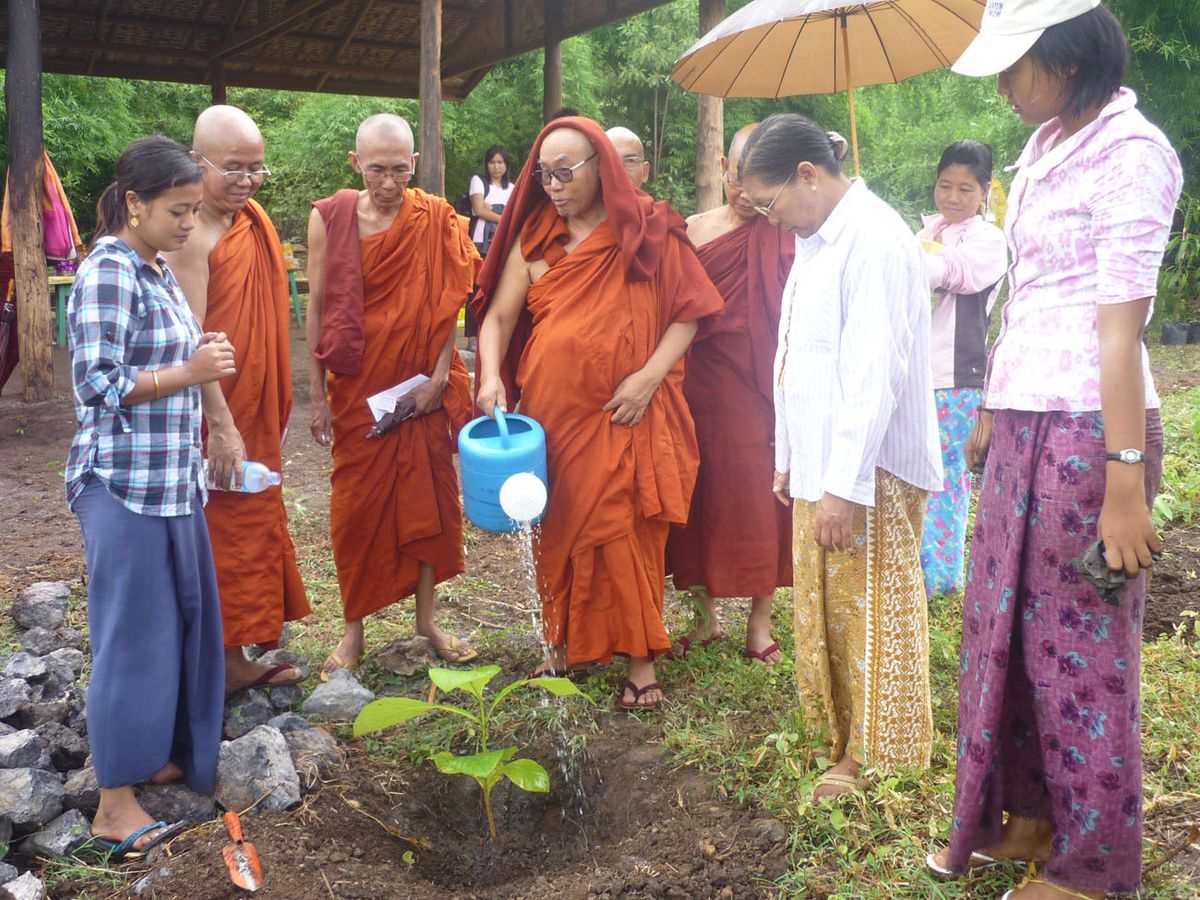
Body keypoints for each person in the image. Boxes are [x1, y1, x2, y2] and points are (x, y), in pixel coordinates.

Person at [927, 3, 1182, 898]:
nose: (1002, 87)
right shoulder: (1038, 152)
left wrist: (1123, 483)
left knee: (1080, 649)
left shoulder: (1135, 151)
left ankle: (1091, 867)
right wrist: (995, 401)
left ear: (1067, 63)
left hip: (1087, 430)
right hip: (1025, 415)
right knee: (1004, 628)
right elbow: (1027, 293)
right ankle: (1032, 816)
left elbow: (1120, 332)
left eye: (1015, 67)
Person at [474, 116, 723, 710]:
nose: (553, 187)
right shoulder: (536, 237)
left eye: (566, 173)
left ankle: (640, 659)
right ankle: (559, 646)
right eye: (544, 175)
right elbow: (499, 318)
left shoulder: (648, 229)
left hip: (628, 413)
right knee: (557, 528)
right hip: (555, 418)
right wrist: (487, 375)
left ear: (599, 169)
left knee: (628, 531)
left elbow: (688, 312)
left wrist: (647, 378)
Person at [739, 114, 942, 799]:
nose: (770, 220)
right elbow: (799, 355)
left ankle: (878, 754)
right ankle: (839, 733)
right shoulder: (817, 237)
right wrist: (791, 453)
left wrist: (844, 487)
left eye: (770, 204)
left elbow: (872, 373)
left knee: (871, 609)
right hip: (826, 463)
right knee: (827, 607)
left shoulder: (876, 238)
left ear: (808, 174)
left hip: (869, 468)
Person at [65, 136, 230, 856]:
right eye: (177, 209)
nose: (189, 223)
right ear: (134, 203)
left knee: (176, 629)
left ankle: (156, 756)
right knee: (131, 639)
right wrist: (187, 373)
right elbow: (94, 385)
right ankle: (113, 802)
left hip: (171, 484)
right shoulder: (108, 268)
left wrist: (193, 367)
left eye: (195, 210)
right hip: (124, 485)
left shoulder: (154, 267)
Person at [308, 113, 481, 679]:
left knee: (429, 504)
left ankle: (426, 622)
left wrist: (437, 379)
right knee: (354, 511)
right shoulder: (329, 219)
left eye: (400, 170)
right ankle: (353, 629)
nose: (389, 183)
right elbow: (316, 306)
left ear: (415, 164)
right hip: (357, 388)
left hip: (419, 388)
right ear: (356, 164)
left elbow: (450, 302)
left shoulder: (436, 219)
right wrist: (315, 391)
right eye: (377, 170)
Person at [164, 105, 309, 693]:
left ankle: (230, 656)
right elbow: (191, 342)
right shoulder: (190, 233)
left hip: (255, 405)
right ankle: (214, 664)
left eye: (257, 169)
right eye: (233, 169)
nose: (247, 181)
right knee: (218, 529)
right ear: (197, 160)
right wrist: (220, 425)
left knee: (250, 519)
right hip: (215, 413)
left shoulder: (252, 221)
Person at [665, 123, 793, 665]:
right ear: (722, 169)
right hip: (703, 385)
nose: (745, 192)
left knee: (765, 497)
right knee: (701, 494)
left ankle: (759, 625)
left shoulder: (794, 230)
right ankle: (705, 616)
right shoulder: (692, 231)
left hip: (767, 387)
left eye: (758, 180)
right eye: (738, 178)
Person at [916, 141, 1008, 599]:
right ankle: (911, 571)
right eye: (944, 185)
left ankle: (938, 579)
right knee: (911, 473)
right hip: (913, 374)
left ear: (985, 191)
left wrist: (911, 256)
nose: (952, 198)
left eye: (965, 190)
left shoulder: (988, 240)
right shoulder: (928, 229)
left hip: (956, 378)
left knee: (948, 480)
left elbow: (954, 272)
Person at [469, 145, 515, 256]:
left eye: (500, 162)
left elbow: (515, 214)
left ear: (506, 165)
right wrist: (504, 218)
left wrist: (492, 208)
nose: (496, 167)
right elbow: (479, 210)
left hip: (504, 240)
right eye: (492, 162)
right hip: (481, 241)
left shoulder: (512, 188)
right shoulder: (478, 181)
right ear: (487, 164)